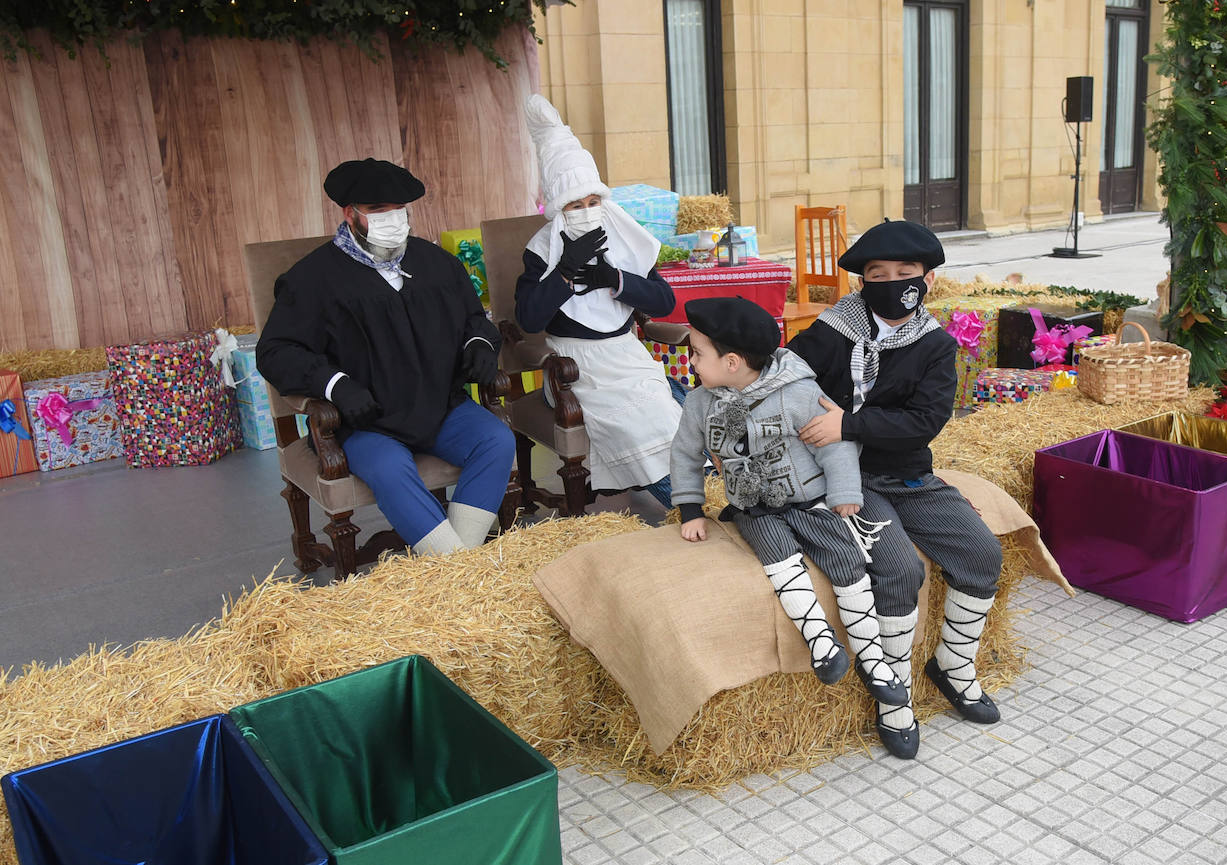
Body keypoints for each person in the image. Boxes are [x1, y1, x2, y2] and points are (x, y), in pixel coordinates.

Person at [788, 219, 1004, 760]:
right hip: (846, 476)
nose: (890, 282)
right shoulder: (828, 333)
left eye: (904, 273)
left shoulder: (934, 345)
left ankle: (953, 665)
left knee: (982, 552)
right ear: (861, 281)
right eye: (876, 275)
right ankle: (894, 696)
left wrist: (849, 422)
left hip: (909, 473)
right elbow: (786, 386)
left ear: (926, 279)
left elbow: (925, 421)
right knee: (901, 568)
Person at [257, 158, 516, 556]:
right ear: (351, 214)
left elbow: (473, 318)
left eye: (398, 209)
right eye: (378, 211)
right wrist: (335, 385)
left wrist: (479, 344)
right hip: (367, 423)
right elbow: (275, 351)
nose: (392, 218)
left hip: (440, 408)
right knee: (389, 470)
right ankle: (460, 569)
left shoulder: (437, 265)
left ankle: (458, 564)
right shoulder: (311, 279)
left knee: (497, 439)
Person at [670, 297, 907, 707]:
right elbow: (684, 455)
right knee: (779, 561)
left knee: (846, 562)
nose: (690, 362)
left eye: (696, 353)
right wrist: (690, 509)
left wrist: (846, 492)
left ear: (730, 362)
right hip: (754, 506)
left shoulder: (798, 392)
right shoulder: (699, 405)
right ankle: (822, 645)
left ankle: (872, 659)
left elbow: (835, 446)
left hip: (812, 500)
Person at [515, 94, 682, 507]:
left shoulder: (622, 237)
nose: (587, 211)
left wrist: (616, 278)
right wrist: (565, 271)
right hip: (577, 370)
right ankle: (690, 507)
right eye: (575, 205)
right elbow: (529, 318)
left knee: (676, 414)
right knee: (641, 423)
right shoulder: (541, 250)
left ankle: (712, 495)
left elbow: (663, 301)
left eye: (593, 202)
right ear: (558, 209)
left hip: (627, 356)